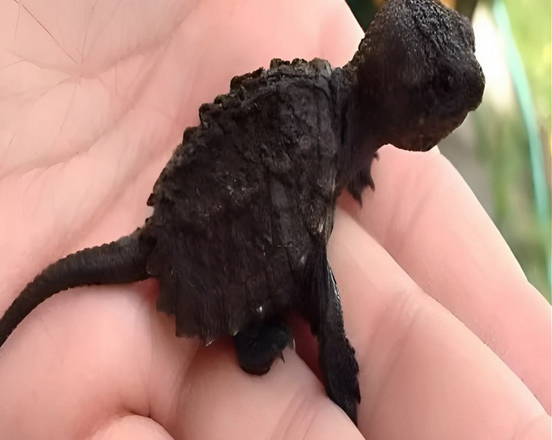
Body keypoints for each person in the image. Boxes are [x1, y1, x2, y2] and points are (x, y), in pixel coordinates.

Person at [0, 0, 549, 438]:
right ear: (402, 96)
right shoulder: (327, 130)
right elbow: (314, 274)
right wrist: (337, 360)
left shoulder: (316, 87)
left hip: (200, 197)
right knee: (289, 263)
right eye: (444, 86)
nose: (470, 84)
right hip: (201, 250)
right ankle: (246, 332)